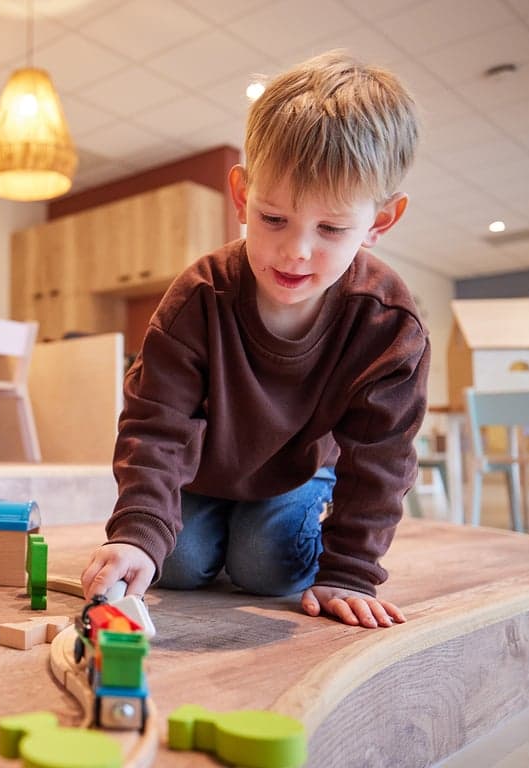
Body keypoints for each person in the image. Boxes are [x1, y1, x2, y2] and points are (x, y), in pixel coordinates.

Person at [81, 50, 428, 629]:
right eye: (273, 219)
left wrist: (350, 571)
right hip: (202, 473)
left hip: (295, 472)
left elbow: (382, 458)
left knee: (266, 566)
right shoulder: (199, 295)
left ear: (379, 223)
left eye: (332, 229)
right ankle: (201, 534)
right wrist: (139, 534)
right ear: (242, 196)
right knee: (178, 564)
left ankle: (254, 530)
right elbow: (155, 425)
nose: (296, 251)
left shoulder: (387, 323)